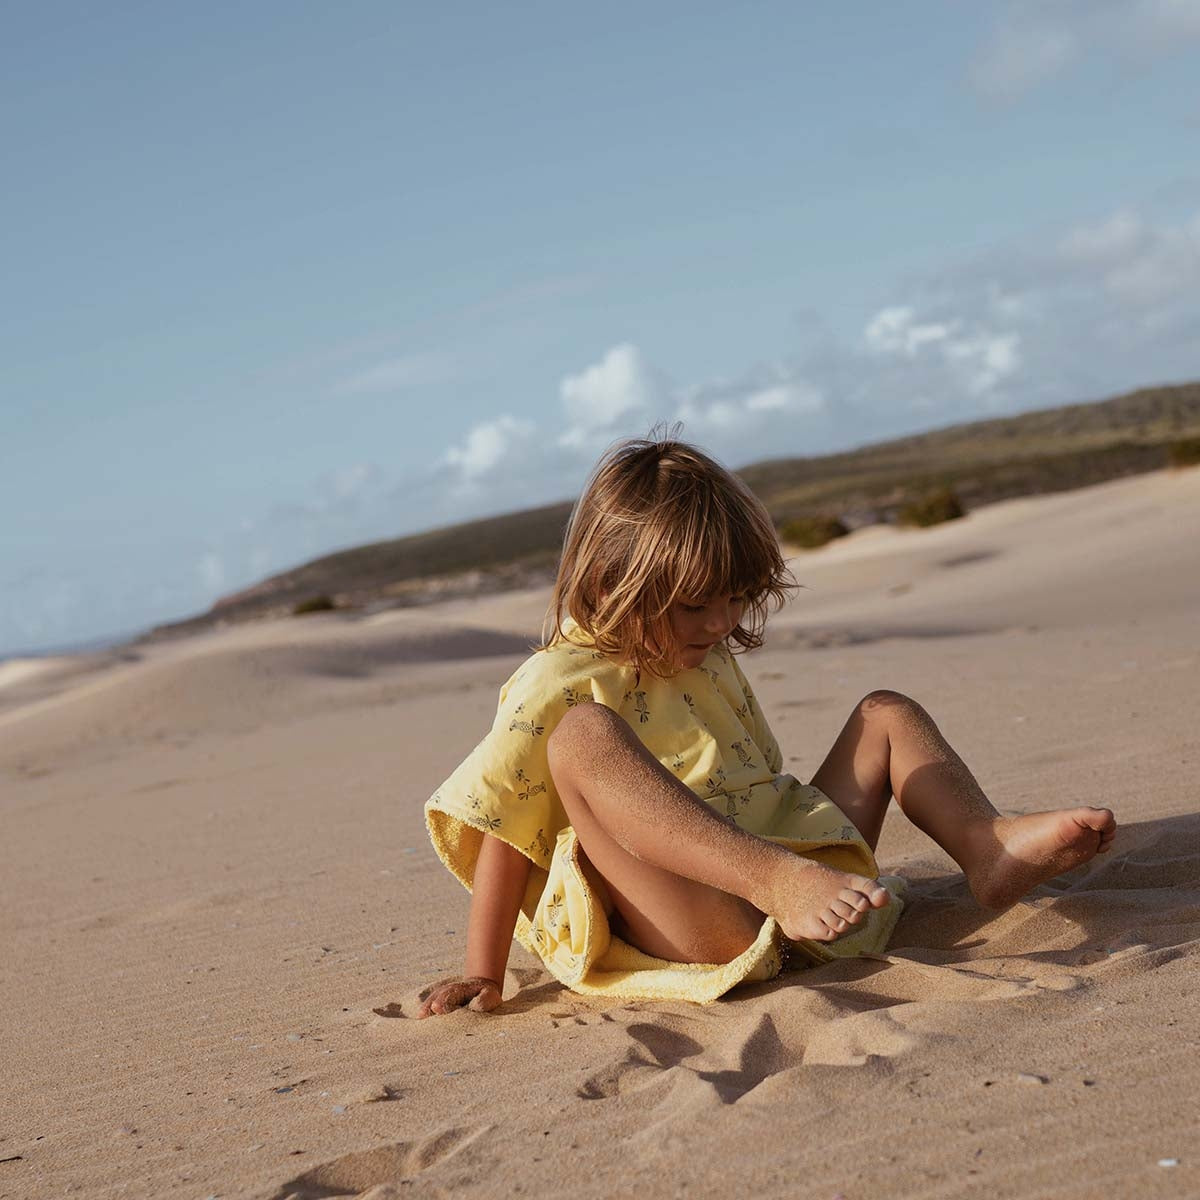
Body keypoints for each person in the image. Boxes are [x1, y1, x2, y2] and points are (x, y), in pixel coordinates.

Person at [419, 434, 1116, 1016]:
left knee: (886, 714)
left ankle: (985, 849)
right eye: (697, 605)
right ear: (608, 585)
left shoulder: (703, 645)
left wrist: (797, 872)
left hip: (802, 879)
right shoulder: (556, 681)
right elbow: (501, 831)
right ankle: (776, 881)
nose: (723, 623)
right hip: (698, 916)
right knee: (583, 737)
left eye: (737, 599)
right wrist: (484, 971)